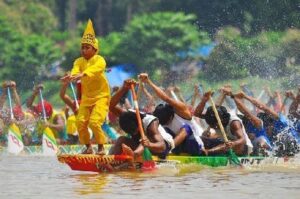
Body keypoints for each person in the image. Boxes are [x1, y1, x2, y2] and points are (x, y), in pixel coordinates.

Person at [61, 19, 110, 154]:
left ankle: (101, 147)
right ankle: (88, 147)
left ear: (95, 49)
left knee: (94, 122)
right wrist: (70, 77)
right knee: (80, 122)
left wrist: (82, 74)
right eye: (82, 47)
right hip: (87, 98)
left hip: (101, 96)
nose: (83, 50)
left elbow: (96, 69)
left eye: (87, 47)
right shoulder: (78, 61)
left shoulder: (100, 60)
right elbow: (75, 70)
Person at [138, 73, 205, 156]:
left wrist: (148, 82)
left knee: (186, 128)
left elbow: (166, 98)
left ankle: (167, 149)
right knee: (158, 129)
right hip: (178, 148)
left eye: (167, 122)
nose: (166, 124)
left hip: (195, 146)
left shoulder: (182, 112)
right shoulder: (160, 120)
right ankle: (156, 150)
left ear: (171, 116)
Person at [109, 79, 175, 159]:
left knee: (144, 139)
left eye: (135, 131)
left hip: (162, 148)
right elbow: (111, 106)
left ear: (138, 122)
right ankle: (111, 160)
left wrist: (149, 144)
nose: (134, 134)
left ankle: (133, 155)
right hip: (143, 146)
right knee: (121, 139)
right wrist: (124, 88)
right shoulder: (127, 115)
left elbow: (162, 146)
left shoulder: (151, 123)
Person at [194, 91, 253, 156]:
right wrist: (204, 100)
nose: (213, 127)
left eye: (214, 125)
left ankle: (208, 152)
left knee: (225, 145)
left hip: (242, 148)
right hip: (224, 144)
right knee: (200, 139)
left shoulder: (234, 123)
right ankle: (202, 152)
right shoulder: (212, 117)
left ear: (222, 121)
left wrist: (233, 143)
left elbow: (242, 140)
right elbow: (197, 114)